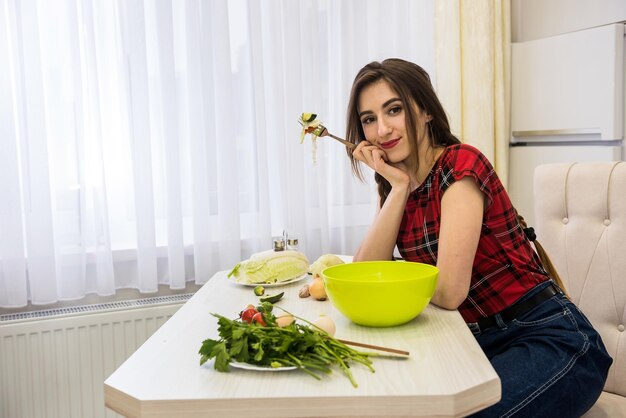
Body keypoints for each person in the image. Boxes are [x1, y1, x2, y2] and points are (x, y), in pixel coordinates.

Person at [346, 58, 612, 417]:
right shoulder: (396, 184)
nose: (382, 130)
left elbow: (449, 292)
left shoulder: (460, 166)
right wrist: (397, 188)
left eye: (394, 109)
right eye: (369, 119)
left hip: (548, 337)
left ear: (425, 110)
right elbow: (363, 277)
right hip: (472, 344)